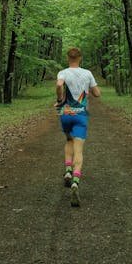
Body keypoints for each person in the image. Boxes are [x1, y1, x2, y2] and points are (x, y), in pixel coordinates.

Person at [55, 47, 101, 207]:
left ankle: (67, 170)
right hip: (81, 115)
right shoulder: (87, 73)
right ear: (80, 58)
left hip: (66, 113)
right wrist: (91, 89)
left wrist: (60, 96)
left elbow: (59, 85)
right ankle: (75, 181)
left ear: (68, 58)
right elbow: (97, 94)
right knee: (78, 149)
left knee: (68, 140)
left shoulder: (63, 72)